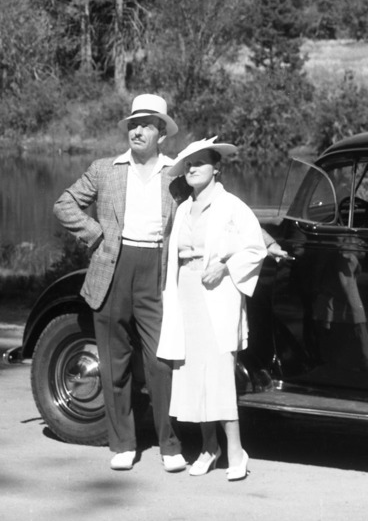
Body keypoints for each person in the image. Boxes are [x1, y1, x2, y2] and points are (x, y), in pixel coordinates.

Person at [53, 92, 184, 472]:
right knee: (114, 363)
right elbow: (64, 204)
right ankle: (123, 443)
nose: (137, 131)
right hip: (112, 267)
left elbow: (206, 210)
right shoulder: (105, 169)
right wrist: (94, 234)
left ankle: (170, 445)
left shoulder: (176, 174)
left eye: (145, 125)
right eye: (132, 124)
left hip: (157, 272)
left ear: (161, 132)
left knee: (162, 362)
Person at [156, 136, 276, 480]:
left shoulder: (232, 207)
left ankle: (236, 451)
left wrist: (225, 267)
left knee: (220, 373)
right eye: (188, 165)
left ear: (216, 168)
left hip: (218, 293)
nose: (193, 169)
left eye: (200, 163)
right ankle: (210, 447)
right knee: (192, 374)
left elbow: (255, 248)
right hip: (186, 294)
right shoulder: (182, 210)